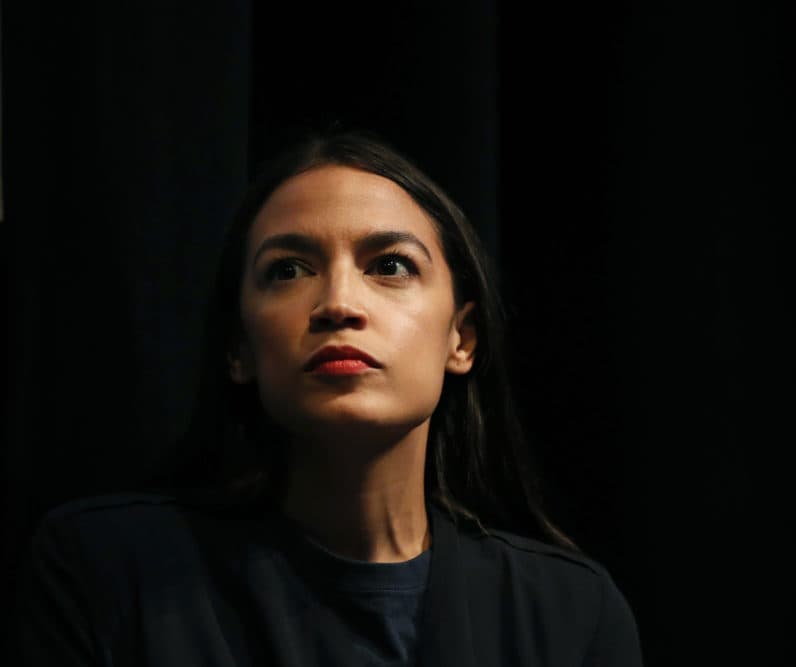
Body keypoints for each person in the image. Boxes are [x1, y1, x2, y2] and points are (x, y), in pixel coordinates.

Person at [17, 127, 645, 666]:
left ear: (462, 338)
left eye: (390, 265)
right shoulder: (104, 572)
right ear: (238, 348)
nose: (339, 303)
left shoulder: (571, 614)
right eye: (288, 270)